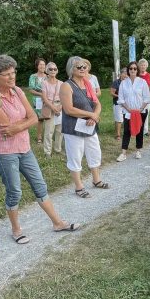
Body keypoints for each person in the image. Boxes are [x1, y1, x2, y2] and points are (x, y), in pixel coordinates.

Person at [0, 55, 78, 243]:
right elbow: (6, 126)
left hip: (24, 147)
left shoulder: (17, 91)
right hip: (4, 152)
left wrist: (19, 125)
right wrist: (25, 122)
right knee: (15, 191)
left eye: (13, 72)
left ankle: (57, 223)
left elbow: (33, 118)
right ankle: (16, 230)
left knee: (40, 185)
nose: (12, 77)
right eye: (6, 74)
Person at [59, 56, 109, 198]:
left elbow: (97, 103)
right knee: (75, 156)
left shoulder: (87, 84)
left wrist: (94, 116)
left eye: (84, 67)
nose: (82, 69)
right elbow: (68, 109)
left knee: (94, 152)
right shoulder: (66, 86)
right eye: (79, 67)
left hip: (89, 126)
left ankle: (96, 180)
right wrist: (90, 114)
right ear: (71, 69)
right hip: (73, 127)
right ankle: (79, 186)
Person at [116, 62, 150, 161]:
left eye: (135, 68)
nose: (133, 70)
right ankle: (123, 153)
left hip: (141, 111)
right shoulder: (123, 83)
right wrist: (128, 109)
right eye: (131, 68)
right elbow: (121, 99)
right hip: (128, 111)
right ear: (128, 70)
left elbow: (147, 98)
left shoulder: (142, 82)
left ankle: (138, 150)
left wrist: (140, 109)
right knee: (127, 131)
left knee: (140, 130)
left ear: (137, 70)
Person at [40, 61, 64, 157]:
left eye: (55, 69)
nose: (53, 70)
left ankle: (58, 149)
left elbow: (64, 96)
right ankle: (47, 152)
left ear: (57, 71)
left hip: (60, 107)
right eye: (50, 69)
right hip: (50, 107)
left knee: (60, 131)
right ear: (47, 71)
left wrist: (60, 106)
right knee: (49, 131)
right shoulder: (44, 83)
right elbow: (44, 98)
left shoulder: (61, 83)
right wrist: (54, 108)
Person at [28, 57, 47, 145]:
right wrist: (41, 94)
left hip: (48, 100)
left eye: (43, 64)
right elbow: (31, 90)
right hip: (38, 100)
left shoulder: (48, 76)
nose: (42, 66)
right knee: (40, 119)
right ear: (37, 66)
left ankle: (47, 136)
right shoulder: (33, 76)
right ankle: (39, 137)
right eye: (40, 64)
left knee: (48, 117)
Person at [110, 67, 127, 141]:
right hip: (118, 103)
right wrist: (119, 96)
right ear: (121, 74)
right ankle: (118, 135)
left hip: (127, 104)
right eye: (124, 73)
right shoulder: (116, 82)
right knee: (119, 119)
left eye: (127, 74)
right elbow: (111, 93)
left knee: (127, 118)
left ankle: (127, 133)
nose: (126, 75)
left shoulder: (129, 82)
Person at [137, 58, 150, 135]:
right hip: (137, 97)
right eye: (141, 65)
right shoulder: (136, 74)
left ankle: (145, 130)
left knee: (146, 113)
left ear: (146, 66)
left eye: (144, 65)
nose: (143, 66)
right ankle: (137, 129)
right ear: (139, 66)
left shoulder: (148, 75)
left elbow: (148, 85)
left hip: (146, 97)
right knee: (137, 113)